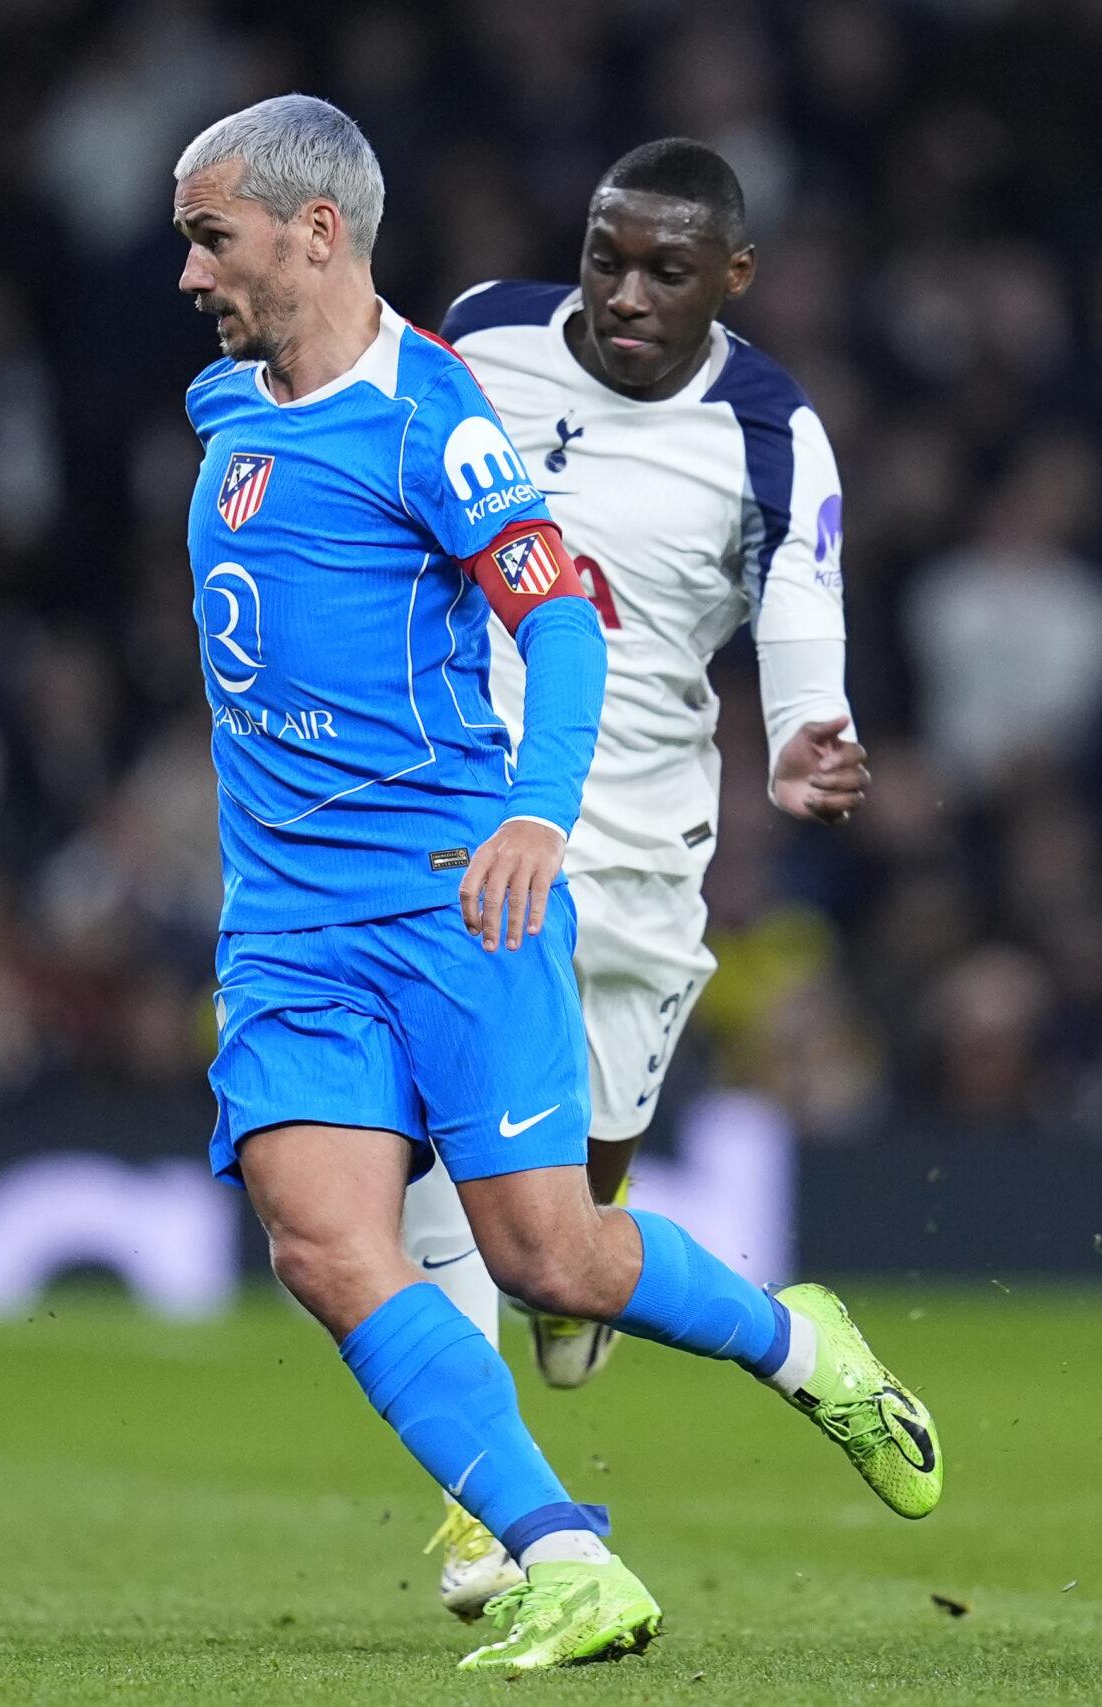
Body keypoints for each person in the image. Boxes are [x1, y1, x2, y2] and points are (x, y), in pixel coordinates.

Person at [172, 98, 928, 1672]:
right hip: (290, 930)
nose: (189, 272)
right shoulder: (237, 403)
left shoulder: (433, 416)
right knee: (322, 1244)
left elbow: (566, 619)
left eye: (211, 238)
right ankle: (558, 1553)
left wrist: (534, 811)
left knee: (553, 1261)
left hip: (464, 900)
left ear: (317, 234)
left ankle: (805, 1346)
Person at [399, 138, 942, 1618]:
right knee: (431, 1167)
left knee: (566, 1218)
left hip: (636, 840)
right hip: (459, 809)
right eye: (605, 258)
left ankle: (602, 1298)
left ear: (735, 279)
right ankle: (482, 1509)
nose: (625, 295)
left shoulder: (770, 424)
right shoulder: (484, 333)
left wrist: (807, 736)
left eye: (667, 270)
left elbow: (802, 591)